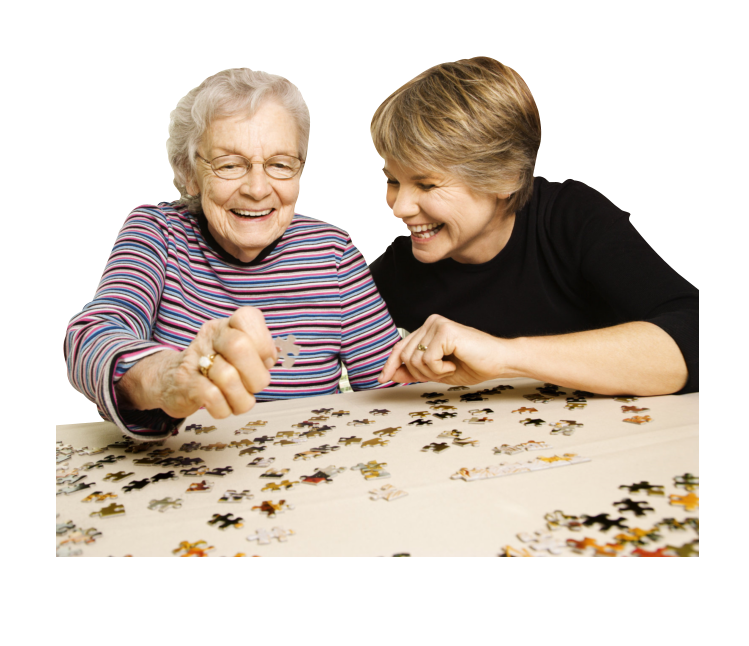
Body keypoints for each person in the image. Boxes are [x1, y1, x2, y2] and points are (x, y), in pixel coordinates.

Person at [64, 68, 402, 440]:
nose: (257, 189)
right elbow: (91, 336)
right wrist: (166, 376)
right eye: (229, 165)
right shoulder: (156, 232)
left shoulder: (334, 253)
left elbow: (392, 389)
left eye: (279, 164)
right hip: (181, 476)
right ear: (190, 173)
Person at [370, 57, 698, 396]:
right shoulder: (399, 267)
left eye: (426, 185)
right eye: (393, 180)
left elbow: (693, 332)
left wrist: (504, 356)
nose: (399, 206)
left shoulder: (571, 218)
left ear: (505, 177)